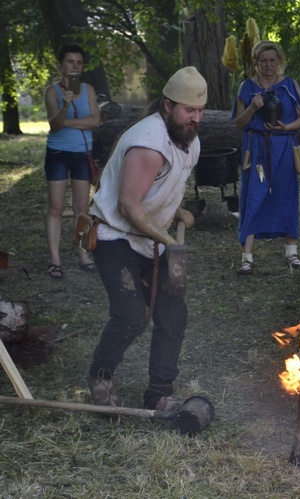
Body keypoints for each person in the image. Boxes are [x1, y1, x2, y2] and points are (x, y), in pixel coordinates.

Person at [86, 67, 207, 411]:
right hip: (114, 234)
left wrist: (177, 210)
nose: (195, 118)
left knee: (173, 315)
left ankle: (159, 393)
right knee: (131, 315)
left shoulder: (189, 141)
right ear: (168, 106)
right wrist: (169, 240)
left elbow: (161, 187)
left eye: (199, 111)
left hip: (150, 236)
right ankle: (100, 374)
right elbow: (128, 205)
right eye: (188, 110)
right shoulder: (149, 143)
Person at [232, 41, 300, 275]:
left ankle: (292, 253)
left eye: (272, 60)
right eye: (263, 60)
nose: (268, 65)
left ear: (280, 62)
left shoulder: (290, 85)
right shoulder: (246, 87)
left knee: (286, 195)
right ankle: (246, 257)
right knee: (252, 196)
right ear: (256, 63)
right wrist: (253, 109)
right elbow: (238, 123)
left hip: (284, 146)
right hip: (255, 147)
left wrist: (287, 128)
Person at [43, 42, 101, 278]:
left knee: (81, 208)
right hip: (57, 154)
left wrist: (65, 121)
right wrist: (65, 105)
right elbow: (54, 125)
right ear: (61, 65)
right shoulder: (52, 91)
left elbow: (95, 121)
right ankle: (55, 260)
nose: (75, 66)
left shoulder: (88, 90)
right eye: (70, 62)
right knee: (56, 208)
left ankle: (83, 254)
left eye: (79, 62)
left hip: (82, 154)